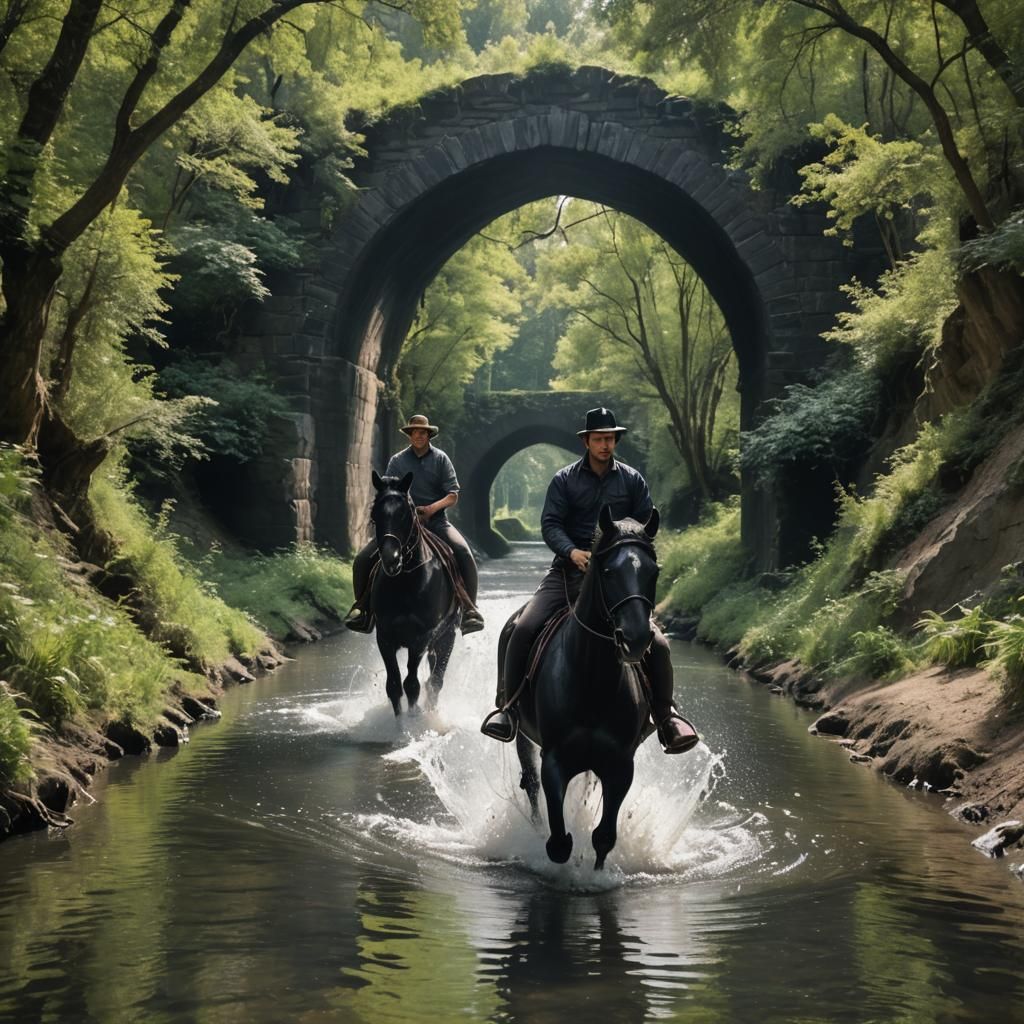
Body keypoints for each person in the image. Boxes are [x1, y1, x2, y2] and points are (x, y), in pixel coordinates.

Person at [480, 407, 698, 753]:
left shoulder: (632, 480)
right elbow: (551, 523)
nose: (605, 445)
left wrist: (625, 556)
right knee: (521, 628)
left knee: (658, 642)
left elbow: (644, 527)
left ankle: (666, 716)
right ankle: (507, 708)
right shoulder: (564, 480)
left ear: (615, 440)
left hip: (616, 578)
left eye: (610, 439)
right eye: (599, 439)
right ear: (586, 441)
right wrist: (571, 552)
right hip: (568, 571)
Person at [345, 413, 485, 635]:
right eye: (414, 432)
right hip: (402, 526)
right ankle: (363, 610)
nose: (418, 436)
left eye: (422, 432)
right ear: (409, 435)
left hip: (436, 522)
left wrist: (430, 509)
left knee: (463, 552)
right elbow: (388, 492)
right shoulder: (397, 461)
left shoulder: (441, 459)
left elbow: (452, 495)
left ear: (429, 435)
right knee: (362, 559)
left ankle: (470, 610)